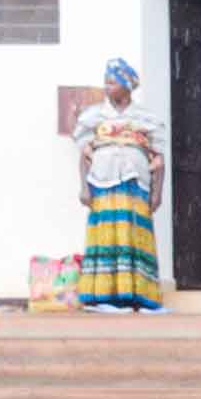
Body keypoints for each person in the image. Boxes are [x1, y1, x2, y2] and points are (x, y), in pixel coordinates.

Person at [68, 61, 163, 310]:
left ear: (127, 86)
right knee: (106, 234)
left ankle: (135, 294)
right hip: (102, 183)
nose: (107, 87)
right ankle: (103, 296)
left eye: (112, 83)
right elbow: (84, 155)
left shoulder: (145, 118)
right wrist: (84, 187)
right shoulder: (94, 117)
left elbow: (159, 159)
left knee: (133, 234)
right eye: (106, 82)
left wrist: (158, 192)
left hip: (136, 185)